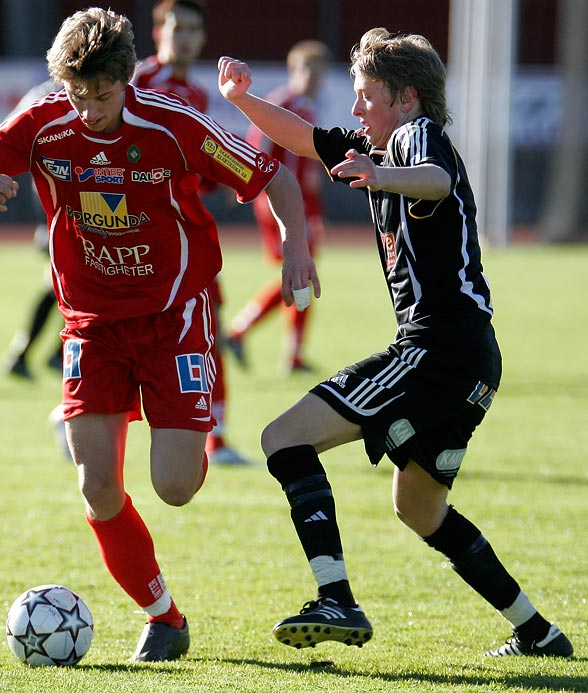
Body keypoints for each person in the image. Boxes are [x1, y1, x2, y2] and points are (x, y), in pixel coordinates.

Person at [0, 7, 318, 663]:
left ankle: (150, 426)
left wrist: (296, 248)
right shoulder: (42, 122)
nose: (86, 109)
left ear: (125, 80)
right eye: (76, 94)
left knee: (175, 485)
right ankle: (165, 617)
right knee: (97, 486)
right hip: (90, 324)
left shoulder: (170, 125)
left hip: (172, 318)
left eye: (100, 95)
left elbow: (273, 174)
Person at [217, 29, 574, 658]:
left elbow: (435, 179)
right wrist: (240, 99)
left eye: (366, 97)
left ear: (406, 99)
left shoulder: (414, 138)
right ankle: (537, 631)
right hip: (473, 359)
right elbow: (301, 137)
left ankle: (336, 599)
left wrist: (380, 172)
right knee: (419, 508)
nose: (355, 111)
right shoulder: (383, 143)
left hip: (437, 348)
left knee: (283, 438)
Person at [133, 0, 251, 465]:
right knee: (120, 332)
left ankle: (216, 438)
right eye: (177, 27)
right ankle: (72, 413)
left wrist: (214, 179)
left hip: (182, 237)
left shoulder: (200, 95)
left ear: (203, 38)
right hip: (134, 235)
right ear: (159, 30)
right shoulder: (136, 81)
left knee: (208, 326)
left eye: (194, 29)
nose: (184, 37)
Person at [226, 40, 330, 376]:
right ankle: (242, 331)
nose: (314, 79)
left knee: (301, 271)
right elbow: (258, 149)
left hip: (302, 203)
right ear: (294, 69)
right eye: (308, 70)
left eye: (320, 72)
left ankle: (292, 352)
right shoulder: (282, 104)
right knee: (299, 270)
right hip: (280, 202)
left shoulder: (306, 107)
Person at [0, 78, 64, 381]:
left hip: (86, 210)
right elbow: (7, 138)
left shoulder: (107, 91)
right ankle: (49, 354)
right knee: (70, 282)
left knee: (62, 284)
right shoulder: (44, 95)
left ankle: (39, 355)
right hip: (59, 212)